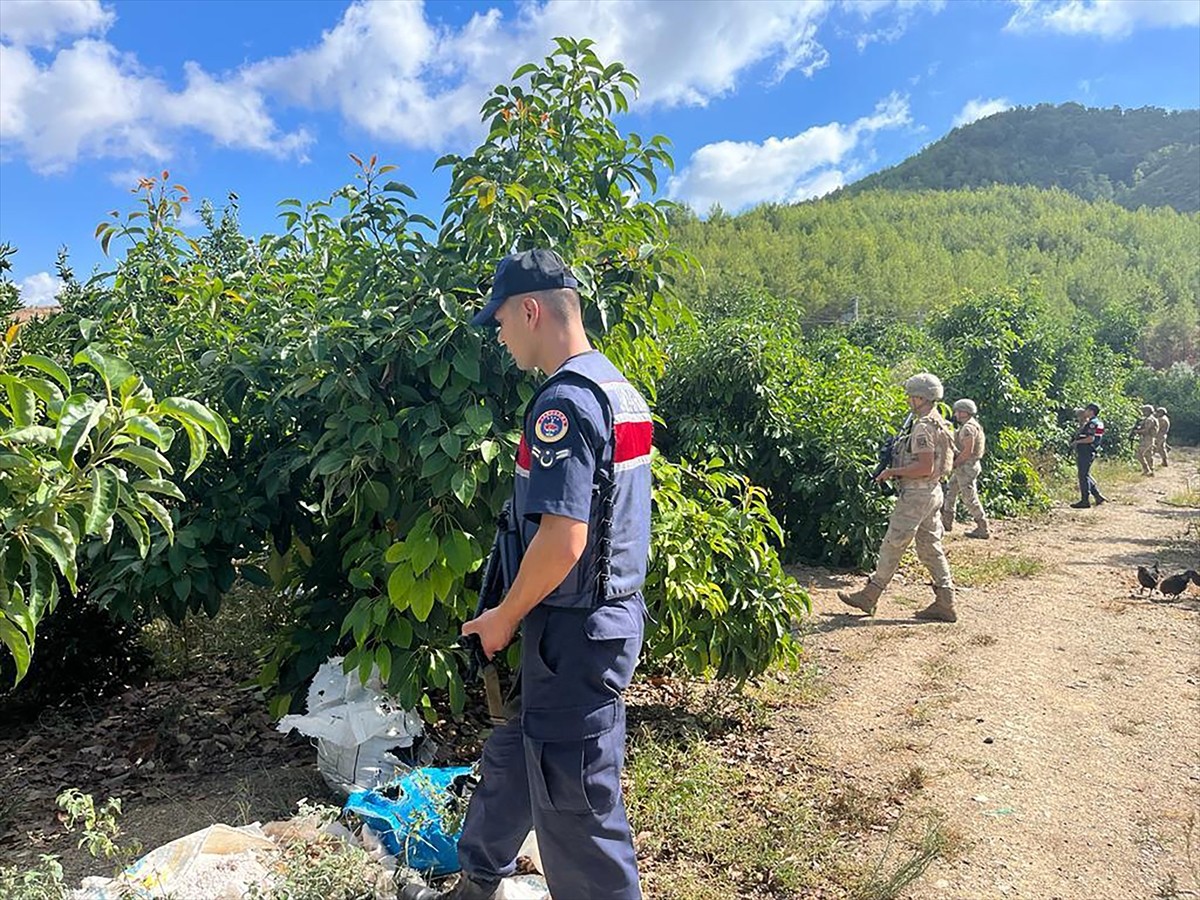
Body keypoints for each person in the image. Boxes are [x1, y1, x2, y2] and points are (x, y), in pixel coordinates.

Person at [403, 249, 653, 900]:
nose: (500, 334)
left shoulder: (563, 404)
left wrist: (503, 616)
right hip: (592, 621)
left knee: (577, 814)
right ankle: (477, 880)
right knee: (514, 756)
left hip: (571, 633)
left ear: (531, 310)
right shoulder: (618, 390)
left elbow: (563, 538)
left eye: (502, 321)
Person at [838, 373, 958, 623]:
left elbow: (924, 466)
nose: (908, 400)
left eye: (911, 396)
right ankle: (945, 601)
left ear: (921, 397)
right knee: (929, 547)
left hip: (917, 493)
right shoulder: (939, 423)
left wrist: (892, 472)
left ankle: (869, 596)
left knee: (893, 544)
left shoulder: (924, 427)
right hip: (932, 492)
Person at [941, 398, 989, 539]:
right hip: (966, 466)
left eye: (958, 411)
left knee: (969, 497)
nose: (955, 414)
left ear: (964, 412)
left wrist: (953, 464)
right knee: (951, 489)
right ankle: (947, 522)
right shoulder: (970, 426)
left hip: (966, 466)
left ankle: (982, 526)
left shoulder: (968, 428)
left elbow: (967, 452)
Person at [1070, 403, 1107, 508]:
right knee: (1085, 474)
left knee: (1083, 476)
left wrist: (1077, 442)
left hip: (1086, 451)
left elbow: (1090, 439)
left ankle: (1085, 501)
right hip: (1089, 450)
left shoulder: (1092, 423)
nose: (1084, 412)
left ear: (1091, 411)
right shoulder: (1096, 422)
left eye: (1086, 410)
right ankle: (1098, 496)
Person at [1132, 404, 1160, 476]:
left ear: (1148, 411)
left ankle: (1147, 469)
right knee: (1148, 455)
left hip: (1148, 438)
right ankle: (1150, 470)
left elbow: (1146, 431)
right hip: (1149, 438)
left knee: (1139, 454)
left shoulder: (1149, 420)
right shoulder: (1152, 419)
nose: (1143, 412)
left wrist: (1137, 432)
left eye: (1144, 411)